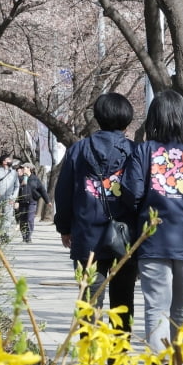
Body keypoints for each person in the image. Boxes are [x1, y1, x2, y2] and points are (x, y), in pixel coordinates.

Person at [122, 90, 183, 353]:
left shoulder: (143, 151)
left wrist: (140, 217)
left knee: (156, 305)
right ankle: (182, 362)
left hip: (153, 238)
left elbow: (132, 193)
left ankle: (161, 361)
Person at [55, 93, 137, 334]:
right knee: (123, 301)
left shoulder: (78, 150)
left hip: (86, 234)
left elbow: (64, 191)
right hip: (125, 236)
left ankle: (88, 362)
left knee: (89, 302)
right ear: (127, 120)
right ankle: (117, 359)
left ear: (98, 117)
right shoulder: (134, 151)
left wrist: (65, 228)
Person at [16, 164, 50, 242]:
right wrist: (16, 201)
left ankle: (28, 236)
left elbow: (42, 190)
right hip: (22, 202)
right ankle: (24, 236)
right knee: (23, 220)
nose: (22, 169)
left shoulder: (35, 179)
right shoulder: (19, 178)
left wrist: (47, 201)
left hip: (32, 202)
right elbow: (16, 190)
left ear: (29, 168)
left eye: (24, 168)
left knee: (30, 219)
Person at [0, 156, 19, 237]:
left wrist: (14, 197)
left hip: (9, 199)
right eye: (8, 159)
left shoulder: (14, 173)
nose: (10, 161)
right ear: (4, 162)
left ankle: (4, 235)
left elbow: (17, 186)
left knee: (8, 217)